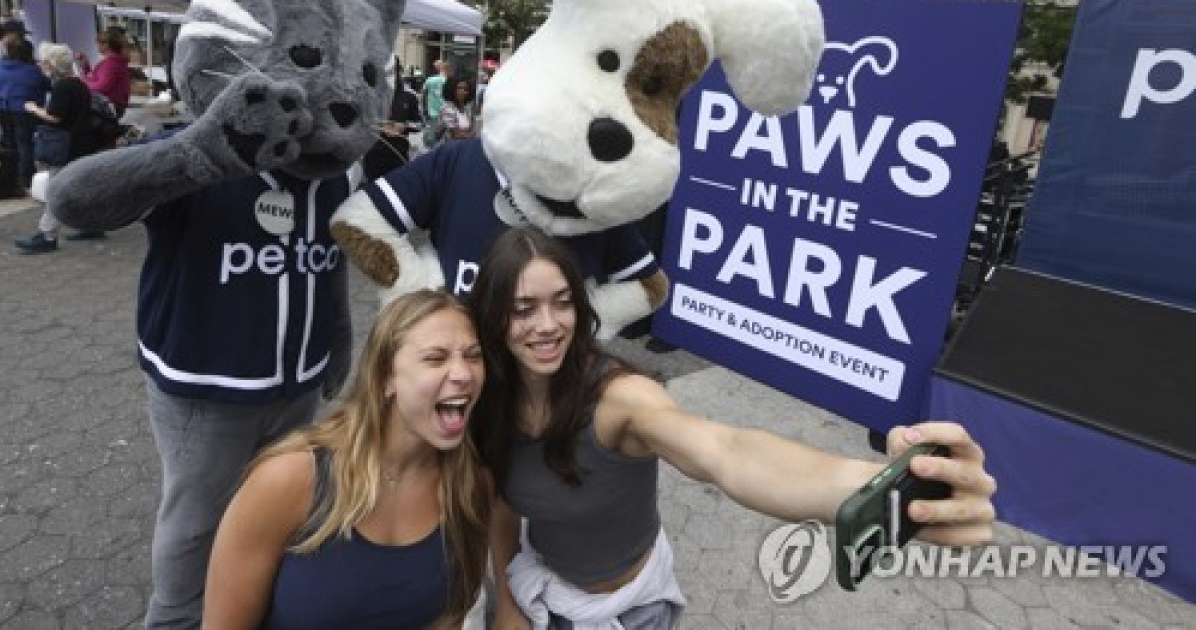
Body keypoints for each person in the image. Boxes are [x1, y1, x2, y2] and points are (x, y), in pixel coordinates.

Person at [468, 226, 998, 629]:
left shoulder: (618, 399)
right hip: (534, 592)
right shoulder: (491, 399)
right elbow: (500, 505)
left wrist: (881, 492)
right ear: (494, 319)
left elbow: (727, 451)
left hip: (630, 612)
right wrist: (509, 605)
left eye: (562, 303)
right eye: (523, 310)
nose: (547, 325)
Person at [204, 289, 491, 629]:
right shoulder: (291, 478)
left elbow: (449, 617)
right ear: (386, 377)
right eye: (435, 358)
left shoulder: (469, 486)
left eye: (473, 356)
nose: (464, 373)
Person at [15, 43, 101, 254]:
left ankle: (47, 234)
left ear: (51, 64)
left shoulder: (63, 86)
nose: (41, 65)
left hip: (66, 145)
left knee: (55, 190)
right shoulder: (79, 84)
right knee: (81, 188)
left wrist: (34, 109)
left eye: (44, 61)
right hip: (82, 142)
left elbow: (55, 117)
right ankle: (91, 224)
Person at [0, 34, 48, 191]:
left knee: (8, 143)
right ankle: (27, 179)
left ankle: (11, 178)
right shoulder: (33, 71)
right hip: (25, 109)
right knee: (25, 144)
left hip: (2, 107)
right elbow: (45, 86)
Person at [362, 56, 423, 182]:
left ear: (398, 70)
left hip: (398, 154)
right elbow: (360, 122)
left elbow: (420, 124)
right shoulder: (368, 95)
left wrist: (404, 126)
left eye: (391, 70)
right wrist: (379, 127)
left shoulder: (409, 96)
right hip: (373, 154)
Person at [75, 28, 131, 118]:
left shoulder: (111, 64)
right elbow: (97, 80)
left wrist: (81, 82)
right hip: (112, 105)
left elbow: (102, 87)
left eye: (98, 43)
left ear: (106, 45)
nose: (96, 46)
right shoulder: (113, 62)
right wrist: (86, 68)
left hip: (109, 107)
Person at [435, 76, 478, 147]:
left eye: (466, 89)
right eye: (459, 88)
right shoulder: (447, 108)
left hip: (463, 148)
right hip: (449, 150)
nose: (463, 92)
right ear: (452, 89)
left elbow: (472, 130)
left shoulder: (467, 109)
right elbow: (455, 134)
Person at [421, 60, 451, 146]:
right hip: (446, 112)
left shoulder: (430, 80)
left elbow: (422, 95)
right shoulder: (450, 81)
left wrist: (422, 108)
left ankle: (431, 150)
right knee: (444, 136)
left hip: (432, 111)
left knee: (431, 134)